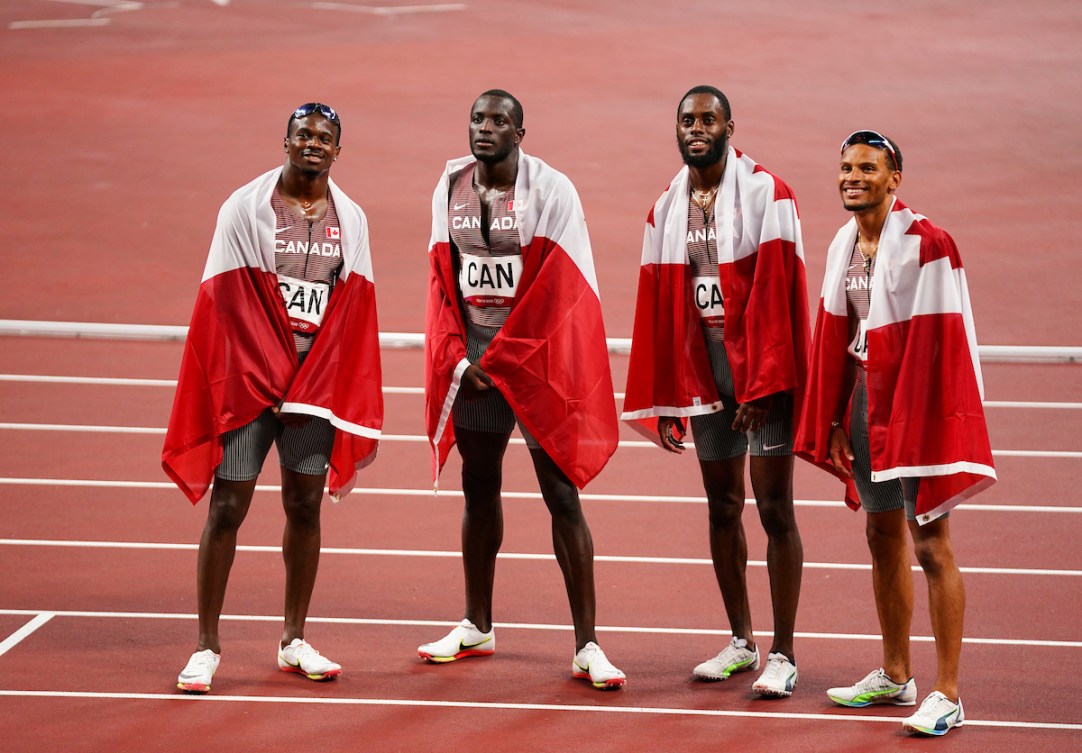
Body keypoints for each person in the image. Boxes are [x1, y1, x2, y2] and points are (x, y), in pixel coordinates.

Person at [162, 103, 383, 694]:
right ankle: (206, 646)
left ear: (339, 150)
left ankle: (293, 638)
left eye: (325, 138)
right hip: (252, 383)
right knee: (228, 509)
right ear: (285, 140)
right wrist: (270, 373)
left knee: (304, 508)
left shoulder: (353, 219)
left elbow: (350, 308)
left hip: (313, 387)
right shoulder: (244, 207)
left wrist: (316, 383)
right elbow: (227, 302)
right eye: (304, 134)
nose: (313, 144)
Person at [419, 89, 625, 689]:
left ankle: (588, 644)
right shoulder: (449, 187)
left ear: (520, 133)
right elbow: (443, 275)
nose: (486, 128)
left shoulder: (552, 191)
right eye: (478, 119)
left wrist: (506, 358)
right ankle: (476, 623)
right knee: (478, 487)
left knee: (560, 496)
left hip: (537, 363)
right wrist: (459, 358)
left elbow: (560, 286)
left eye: (499, 121)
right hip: (478, 366)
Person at [795, 130, 996, 736]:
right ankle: (895, 673)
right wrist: (833, 418)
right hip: (864, 406)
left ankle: (949, 692)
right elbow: (836, 335)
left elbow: (946, 344)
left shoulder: (929, 244)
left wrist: (915, 419)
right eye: (846, 167)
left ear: (894, 179)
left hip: (915, 411)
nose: (852, 177)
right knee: (881, 536)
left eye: (867, 168)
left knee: (931, 545)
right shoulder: (842, 242)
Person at [622, 86, 810, 697]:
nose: (696, 128)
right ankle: (741, 640)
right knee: (722, 506)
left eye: (707, 119)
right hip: (706, 371)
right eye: (686, 119)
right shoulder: (665, 207)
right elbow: (661, 305)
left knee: (774, 508)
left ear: (730, 124)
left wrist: (765, 380)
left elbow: (781, 290)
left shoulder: (766, 193)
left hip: (763, 375)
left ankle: (783, 653)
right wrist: (671, 393)